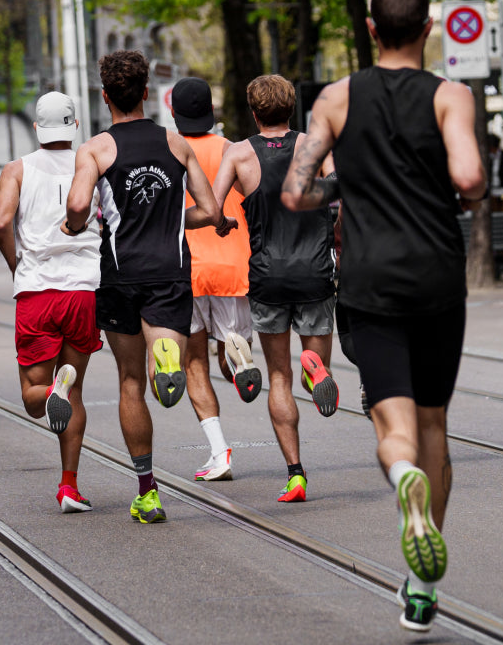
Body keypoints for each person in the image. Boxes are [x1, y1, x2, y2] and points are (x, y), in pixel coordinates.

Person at [279, 0, 484, 633]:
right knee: (436, 429)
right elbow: (470, 179)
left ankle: (402, 482)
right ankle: (422, 585)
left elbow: (296, 191)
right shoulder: (452, 96)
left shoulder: (337, 99)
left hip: (368, 284)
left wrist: (350, 179)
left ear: (370, 29)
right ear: (429, 28)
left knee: (395, 431)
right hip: (436, 280)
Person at [66, 50, 228, 526]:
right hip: (171, 271)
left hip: (120, 273)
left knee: (129, 382)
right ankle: (169, 357)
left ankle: (147, 491)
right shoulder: (177, 144)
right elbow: (211, 209)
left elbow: (78, 206)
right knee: (165, 359)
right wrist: (173, 217)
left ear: (103, 97)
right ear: (144, 93)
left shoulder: (95, 150)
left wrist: (76, 224)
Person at [212, 74, 339, 504]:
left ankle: (296, 474)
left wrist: (226, 222)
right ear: (292, 108)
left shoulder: (238, 154)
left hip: (268, 276)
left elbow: (213, 209)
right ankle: (315, 366)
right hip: (315, 271)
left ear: (253, 112)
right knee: (310, 363)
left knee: (278, 376)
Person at [0, 93, 101, 512]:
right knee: (75, 395)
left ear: (37, 129)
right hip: (82, 291)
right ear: (75, 126)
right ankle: (69, 486)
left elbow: (2, 220)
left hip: (37, 291)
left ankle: (53, 388)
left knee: (34, 397)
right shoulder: (89, 164)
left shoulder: (17, 169)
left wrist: (15, 264)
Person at [168, 77, 251, 484]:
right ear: (213, 112)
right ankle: (239, 360)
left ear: (173, 113)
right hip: (236, 265)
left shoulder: (170, 151)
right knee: (227, 350)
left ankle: (219, 452)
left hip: (188, 268)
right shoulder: (235, 150)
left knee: (194, 362)